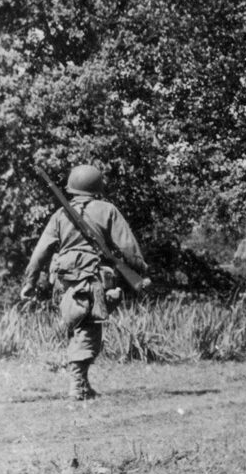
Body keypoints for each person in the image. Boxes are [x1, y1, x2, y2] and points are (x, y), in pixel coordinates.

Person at [21, 164, 151, 400]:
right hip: (93, 280)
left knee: (78, 328)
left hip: (64, 283)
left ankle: (83, 383)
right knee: (89, 330)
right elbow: (128, 248)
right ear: (97, 187)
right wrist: (141, 269)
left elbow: (40, 253)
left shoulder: (60, 215)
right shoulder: (107, 210)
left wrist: (29, 282)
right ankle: (77, 386)